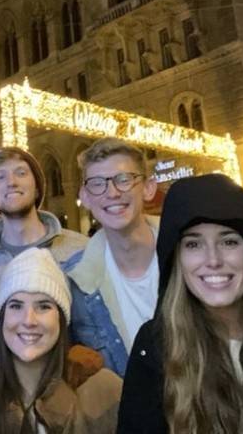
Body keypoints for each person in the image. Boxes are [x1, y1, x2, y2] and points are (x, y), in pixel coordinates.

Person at [118, 173, 243, 434]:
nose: (212, 259)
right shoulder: (156, 347)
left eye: (229, 241)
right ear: (176, 259)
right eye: (193, 244)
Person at [0, 247, 122, 434]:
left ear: (61, 318)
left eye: (43, 306)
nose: (28, 320)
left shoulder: (105, 391)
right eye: (16, 306)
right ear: (2, 318)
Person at [67, 138, 159, 376]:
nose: (112, 193)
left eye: (124, 180)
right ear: (85, 197)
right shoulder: (74, 283)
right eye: (97, 184)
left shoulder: (189, 259)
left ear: (148, 187)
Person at [0, 147, 87, 308]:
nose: (11, 182)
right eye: (1, 177)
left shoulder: (81, 249)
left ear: (37, 189)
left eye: (21, 173)